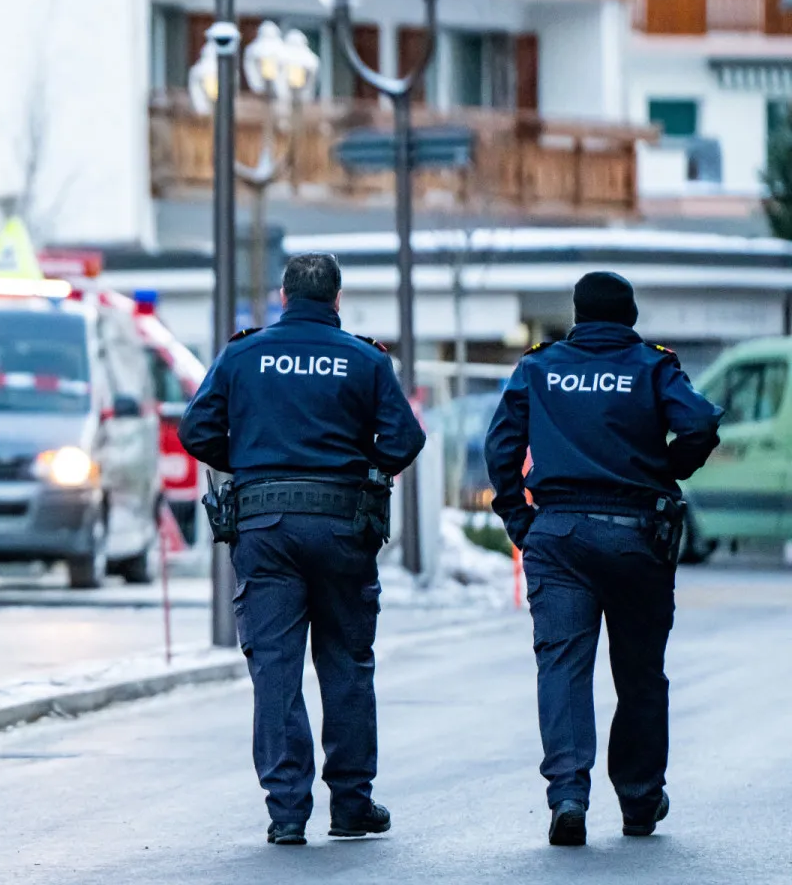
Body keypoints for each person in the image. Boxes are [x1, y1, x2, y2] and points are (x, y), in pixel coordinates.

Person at [179, 252, 426, 846]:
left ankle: (287, 811)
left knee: (276, 670)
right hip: (343, 525)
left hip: (264, 525)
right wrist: (360, 467)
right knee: (346, 663)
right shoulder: (365, 359)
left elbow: (196, 430)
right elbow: (405, 438)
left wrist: (252, 463)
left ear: (283, 296)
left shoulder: (242, 355)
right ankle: (351, 805)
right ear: (337, 299)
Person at [484, 271, 722, 847]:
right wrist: (667, 469)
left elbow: (500, 447)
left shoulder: (540, 367)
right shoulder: (652, 366)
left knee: (562, 667)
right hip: (636, 535)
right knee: (640, 672)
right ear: (629, 316)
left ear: (578, 315)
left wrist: (521, 521)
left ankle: (568, 796)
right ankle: (639, 800)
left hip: (558, 534)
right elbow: (699, 422)